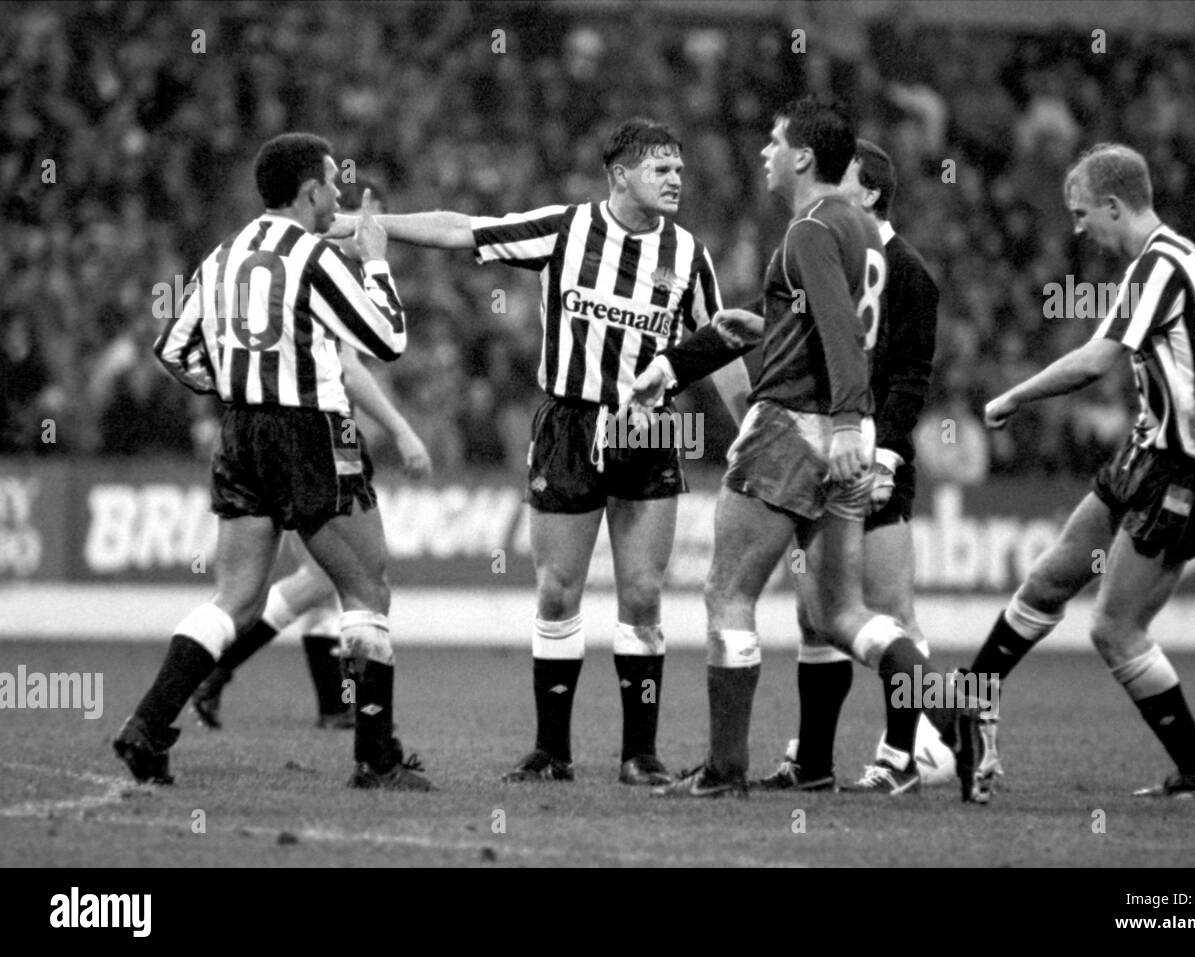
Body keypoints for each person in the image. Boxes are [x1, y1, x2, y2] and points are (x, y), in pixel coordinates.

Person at [328, 119, 751, 785]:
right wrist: (364, 224)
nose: (676, 179)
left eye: (679, 168)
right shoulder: (566, 228)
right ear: (620, 175)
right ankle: (552, 751)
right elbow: (461, 228)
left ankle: (639, 755)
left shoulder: (688, 254)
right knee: (558, 592)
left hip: (649, 429)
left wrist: (749, 428)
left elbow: (719, 342)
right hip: (568, 425)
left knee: (642, 592)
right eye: (660, 168)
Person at [630, 98, 983, 799]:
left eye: (773, 140)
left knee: (727, 594)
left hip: (795, 429)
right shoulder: (865, 231)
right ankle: (951, 710)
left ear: (800, 156)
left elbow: (838, 332)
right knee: (840, 614)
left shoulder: (811, 228)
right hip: (846, 441)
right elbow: (830, 319)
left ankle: (723, 770)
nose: (763, 152)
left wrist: (851, 419)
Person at [960, 143, 1195, 801]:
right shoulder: (1184, 259)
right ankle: (973, 700)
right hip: (1145, 454)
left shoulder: (1158, 266)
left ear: (1115, 205)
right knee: (1051, 577)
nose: (1079, 228)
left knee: (1114, 627)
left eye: (1083, 214)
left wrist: (1014, 397)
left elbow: (1092, 362)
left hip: (1186, 473)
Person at [113, 132, 433, 791]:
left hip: (240, 433)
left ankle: (147, 726)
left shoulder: (223, 255)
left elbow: (172, 349)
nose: (339, 193)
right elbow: (389, 338)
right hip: (310, 434)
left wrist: (233, 385)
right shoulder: (312, 257)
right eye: (331, 183)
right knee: (366, 586)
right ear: (309, 190)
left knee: (233, 597)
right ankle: (376, 757)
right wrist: (375, 262)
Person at [188, 183, 433, 732]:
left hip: (275, 437)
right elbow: (355, 365)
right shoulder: (309, 276)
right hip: (303, 444)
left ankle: (332, 704)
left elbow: (349, 366)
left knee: (322, 586)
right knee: (329, 583)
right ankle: (216, 672)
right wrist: (404, 431)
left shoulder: (295, 280)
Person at [753, 139, 943, 792]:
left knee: (884, 608)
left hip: (870, 454)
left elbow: (910, 376)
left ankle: (919, 743)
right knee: (818, 613)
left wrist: (886, 452)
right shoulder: (841, 254)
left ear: (866, 194)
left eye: (844, 182)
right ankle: (814, 758)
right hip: (825, 450)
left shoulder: (907, 270)